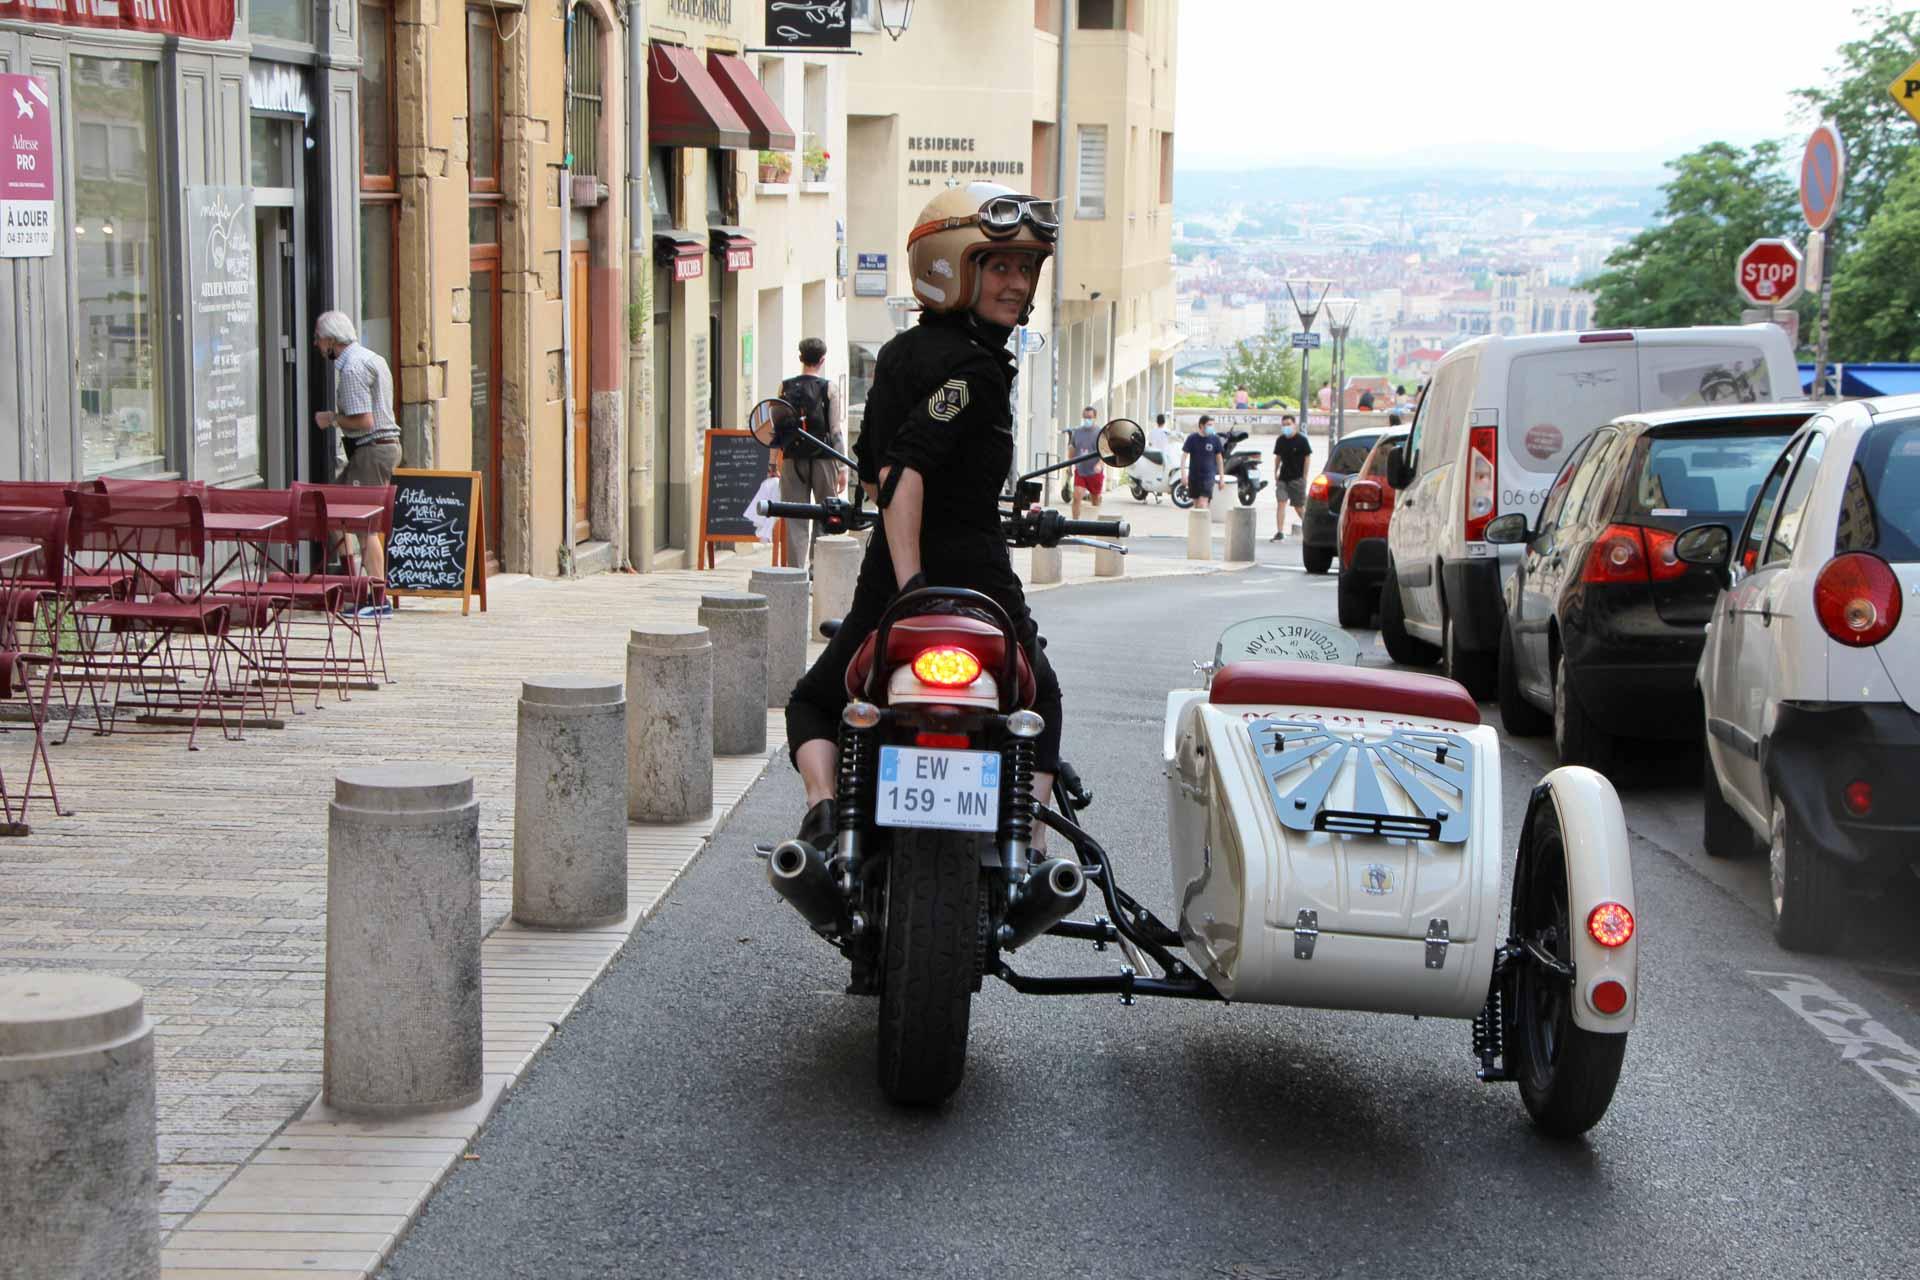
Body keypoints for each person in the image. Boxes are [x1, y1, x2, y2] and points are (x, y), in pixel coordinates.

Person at [783, 182, 1064, 854]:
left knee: (815, 700)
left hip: (889, 576)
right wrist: (917, 584)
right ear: (952, 269)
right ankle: (1024, 838)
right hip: (970, 575)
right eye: (998, 266)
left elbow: (878, 467)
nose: (1017, 282)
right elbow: (905, 469)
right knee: (1039, 700)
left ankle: (825, 809)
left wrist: (900, 582)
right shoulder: (973, 375)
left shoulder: (897, 357)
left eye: (1025, 267)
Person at [311, 310, 400, 614]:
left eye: (319, 339)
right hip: (378, 449)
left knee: (365, 526)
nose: (317, 345)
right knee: (333, 509)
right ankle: (353, 581)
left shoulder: (351, 369)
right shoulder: (372, 358)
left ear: (332, 341)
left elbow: (364, 419)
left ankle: (377, 598)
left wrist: (332, 419)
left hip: (370, 450)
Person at [777, 337, 845, 569]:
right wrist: (843, 466)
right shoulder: (829, 388)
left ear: (800, 358)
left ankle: (795, 571)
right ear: (823, 360)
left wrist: (771, 464)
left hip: (792, 459)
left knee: (794, 516)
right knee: (825, 513)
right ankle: (819, 569)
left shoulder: (785, 387)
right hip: (824, 458)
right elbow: (835, 430)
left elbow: (777, 428)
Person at [1271, 413, 1312, 541]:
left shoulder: (1302, 440)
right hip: (1283, 478)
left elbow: (1307, 458)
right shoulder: (1280, 440)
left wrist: (1304, 477)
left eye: (1288, 424)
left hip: (1297, 479)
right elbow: (1277, 457)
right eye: (1283, 425)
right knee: (1281, 503)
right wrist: (1275, 471)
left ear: (1295, 425)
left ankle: (1310, 531)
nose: (1286, 427)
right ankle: (1279, 532)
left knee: (1299, 507)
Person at [1066, 405, 1103, 518]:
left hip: (1094, 472)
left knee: (1095, 500)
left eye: (1090, 417)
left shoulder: (1100, 433)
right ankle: (1074, 524)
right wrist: (1069, 467)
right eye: (1085, 417)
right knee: (1076, 497)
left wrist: (1099, 464)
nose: (1087, 419)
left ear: (1095, 417)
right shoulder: (1077, 432)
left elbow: (1105, 451)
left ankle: (1095, 522)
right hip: (1080, 471)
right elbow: (1072, 450)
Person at [1184, 414, 1224, 510]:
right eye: (1209, 425)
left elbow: (1219, 459)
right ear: (1201, 425)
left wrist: (1222, 477)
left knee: (1203, 503)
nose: (1211, 427)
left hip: (1208, 476)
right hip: (1194, 476)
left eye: (1212, 425)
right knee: (1197, 505)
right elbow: (1184, 456)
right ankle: (1201, 524)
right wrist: (1183, 474)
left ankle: (1203, 522)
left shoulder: (1215, 439)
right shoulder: (1192, 438)